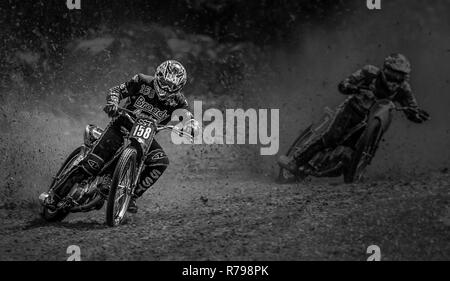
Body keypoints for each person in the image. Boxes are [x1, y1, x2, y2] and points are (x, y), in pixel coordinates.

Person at [50, 60, 199, 213]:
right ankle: (53, 196)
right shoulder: (142, 81)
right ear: (158, 76)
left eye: (172, 86)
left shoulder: (179, 101)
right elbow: (116, 90)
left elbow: (189, 117)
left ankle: (131, 196)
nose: (166, 88)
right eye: (163, 82)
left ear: (179, 87)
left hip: (145, 136)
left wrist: (191, 127)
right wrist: (113, 102)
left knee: (160, 162)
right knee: (92, 164)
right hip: (122, 124)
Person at [278, 53, 430, 175]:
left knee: (349, 150)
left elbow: (411, 109)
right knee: (331, 138)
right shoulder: (370, 72)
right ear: (385, 70)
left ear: (404, 77)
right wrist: (356, 88)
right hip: (352, 109)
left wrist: (416, 114)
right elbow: (343, 85)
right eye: (392, 74)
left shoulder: (404, 89)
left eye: (399, 76)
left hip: (372, 120)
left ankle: (352, 165)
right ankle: (295, 161)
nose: (395, 79)